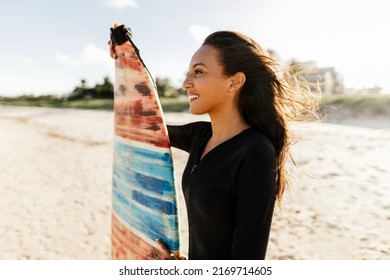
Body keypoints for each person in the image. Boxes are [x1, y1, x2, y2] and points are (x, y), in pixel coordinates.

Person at [111, 27, 320, 260]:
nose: (186, 83)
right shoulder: (200, 136)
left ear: (235, 82)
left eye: (198, 72)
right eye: (189, 72)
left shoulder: (255, 152)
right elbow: (138, 127)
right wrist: (125, 55)